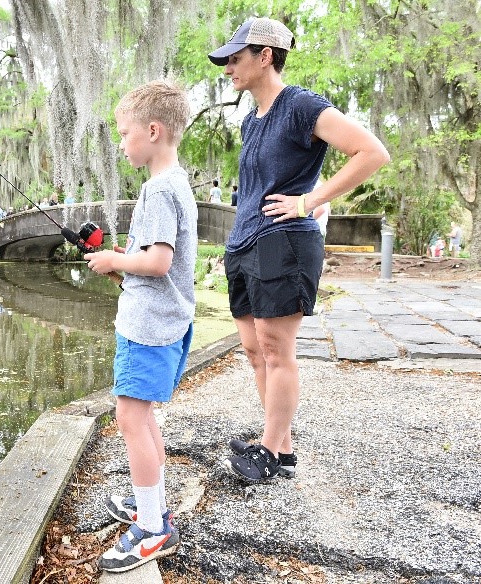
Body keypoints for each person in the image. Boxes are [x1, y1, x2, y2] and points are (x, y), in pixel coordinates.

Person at [208, 17, 389, 483]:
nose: (227, 67)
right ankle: (281, 446)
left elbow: (371, 152)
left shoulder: (301, 106)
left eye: (235, 57)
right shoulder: (251, 120)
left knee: (275, 346)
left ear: (264, 56)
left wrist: (311, 200)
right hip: (245, 242)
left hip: (283, 241)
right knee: (252, 348)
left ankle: (270, 452)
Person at [83, 79, 197, 573]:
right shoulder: (179, 183)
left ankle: (153, 529)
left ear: (153, 131)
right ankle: (151, 504)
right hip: (167, 321)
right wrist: (122, 261)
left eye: (125, 132)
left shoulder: (156, 190)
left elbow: (156, 261)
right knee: (143, 417)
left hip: (147, 327)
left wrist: (113, 258)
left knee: (131, 420)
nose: (122, 141)